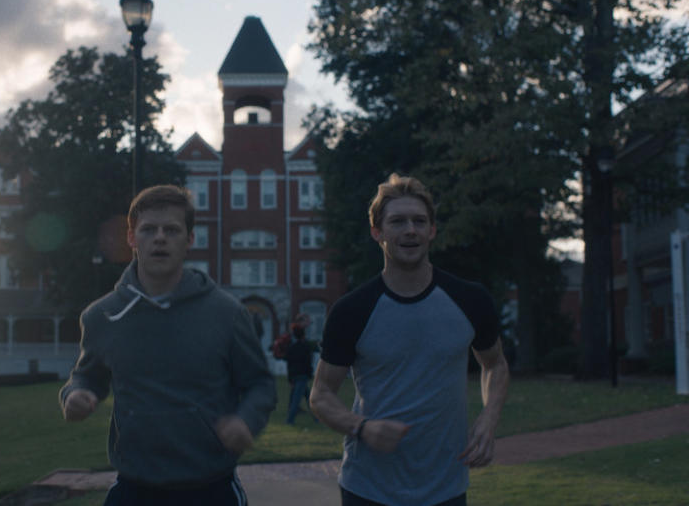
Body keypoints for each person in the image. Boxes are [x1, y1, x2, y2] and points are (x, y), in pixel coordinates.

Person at [59, 185, 276, 506]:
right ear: (131, 238)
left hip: (210, 489)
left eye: (172, 230)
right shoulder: (102, 316)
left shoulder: (227, 313)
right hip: (134, 489)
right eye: (148, 229)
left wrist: (246, 419)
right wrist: (75, 394)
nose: (160, 238)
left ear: (189, 239)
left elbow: (260, 384)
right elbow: (87, 376)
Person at [309, 173, 509, 506]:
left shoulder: (470, 300)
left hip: (446, 488)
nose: (410, 230)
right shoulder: (352, 310)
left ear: (432, 231)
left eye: (419, 221)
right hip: (368, 489)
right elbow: (321, 394)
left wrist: (489, 419)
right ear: (378, 233)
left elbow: (495, 365)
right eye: (398, 222)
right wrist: (362, 427)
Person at [284, 313, 314, 425]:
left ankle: (316, 418)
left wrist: (290, 378)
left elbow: (289, 363)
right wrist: (309, 373)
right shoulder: (305, 346)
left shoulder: (291, 347)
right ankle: (290, 420)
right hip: (302, 375)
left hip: (295, 375)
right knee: (297, 399)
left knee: (308, 397)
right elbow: (307, 362)